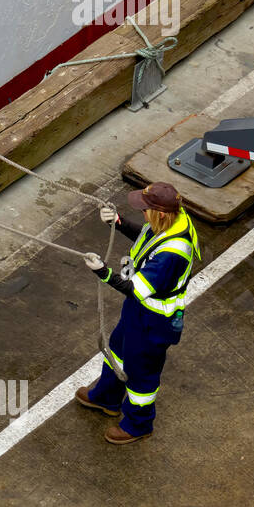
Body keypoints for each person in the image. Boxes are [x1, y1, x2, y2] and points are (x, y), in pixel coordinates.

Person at [77, 182, 201, 444]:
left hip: (154, 321)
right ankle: (107, 397)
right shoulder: (171, 221)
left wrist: (103, 272)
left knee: (141, 373)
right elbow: (147, 239)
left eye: (145, 210)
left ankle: (138, 424)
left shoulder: (173, 254)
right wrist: (118, 223)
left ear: (161, 214)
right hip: (139, 312)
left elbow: (134, 288)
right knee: (118, 350)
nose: (143, 214)